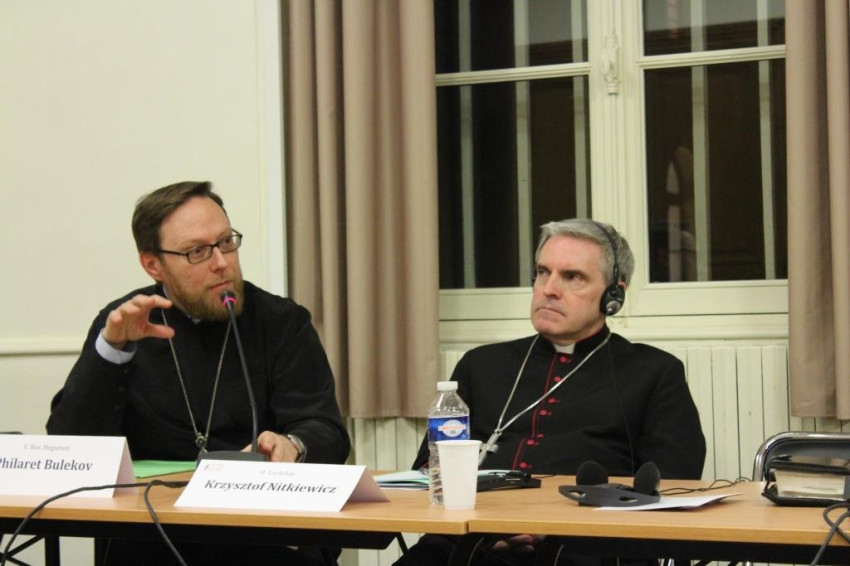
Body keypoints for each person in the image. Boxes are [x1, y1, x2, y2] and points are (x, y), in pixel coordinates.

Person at [47, 181, 349, 565]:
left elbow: (326, 431)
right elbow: (72, 446)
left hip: (263, 536)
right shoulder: (126, 324)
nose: (221, 262)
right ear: (153, 265)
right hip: (151, 537)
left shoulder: (280, 322)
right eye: (197, 252)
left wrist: (293, 444)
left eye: (226, 243)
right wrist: (111, 352)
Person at [397, 218, 706, 566]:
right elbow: (427, 473)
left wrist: (554, 525)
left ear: (613, 295)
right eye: (543, 272)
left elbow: (673, 486)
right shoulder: (480, 364)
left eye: (572, 277)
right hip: (468, 543)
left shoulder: (654, 372)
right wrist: (484, 527)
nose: (549, 289)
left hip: (587, 550)